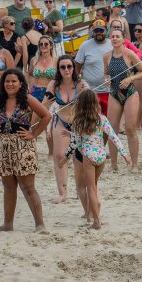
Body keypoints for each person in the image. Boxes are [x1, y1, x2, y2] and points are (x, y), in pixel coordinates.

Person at [0, 68, 53, 233]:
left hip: (24, 146)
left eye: (13, 81)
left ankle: (40, 225)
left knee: (28, 186)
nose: (10, 84)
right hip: (4, 146)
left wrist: (34, 134)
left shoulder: (27, 99)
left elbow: (46, 116)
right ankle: (8, 224)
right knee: (8, 186)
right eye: (7, 81)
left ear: (21, 83)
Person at [60, 89, 129, 229]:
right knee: (94, 185)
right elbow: (113, 136)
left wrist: (65, 157)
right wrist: (124, 153)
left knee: (90, 188)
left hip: (88, 157)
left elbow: (76, 143)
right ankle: (95, 210)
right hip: (101, 157)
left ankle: (96, 221)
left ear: (80, 105)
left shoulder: (79, 122)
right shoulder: (102, 119)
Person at [43, 55, 89, 207]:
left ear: (73, 68)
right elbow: (44, 106)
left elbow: (91, 100)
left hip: (77, 124)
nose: (66, 70)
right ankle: (62, 193)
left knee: (79, 158)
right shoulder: (54, 85)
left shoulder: (80, 83)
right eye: (62, 67)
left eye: (69, 66)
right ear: (58, 69)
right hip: (60, 123)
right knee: (59, 156)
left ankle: (79, 190)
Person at [103, 28, 142, 172]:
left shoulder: (130, 54)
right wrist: (106, 79)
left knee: (130, 128)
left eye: (117, 36)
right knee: (111, 130)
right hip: (114, 92)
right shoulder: (106, 56)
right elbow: (105, 73)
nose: (114, 39)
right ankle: (114, 164)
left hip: (130, 93)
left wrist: (130, 78)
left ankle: (134, 164)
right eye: (112, 36)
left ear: (123, 39)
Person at [74, 19, 113, 117]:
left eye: (101, 30)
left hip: (110, 91)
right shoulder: (85, 45)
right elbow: (77, 67)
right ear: (92, 32)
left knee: (109, 123)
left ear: (106, 30)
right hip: (90, 91)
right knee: (92, 121)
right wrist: (78, 82)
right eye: (96, 31)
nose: (98, 33)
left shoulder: (112, 45)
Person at [26, 34, 56, 104]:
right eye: (41, 44)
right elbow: (29, 74)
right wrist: (28, 88)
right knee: (33, 113)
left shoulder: (56, 60)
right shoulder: (34, 60)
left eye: (46, 44)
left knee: (49, 113)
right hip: (35, 90)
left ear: (51, 46)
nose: (43, 46)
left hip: (50, 91)